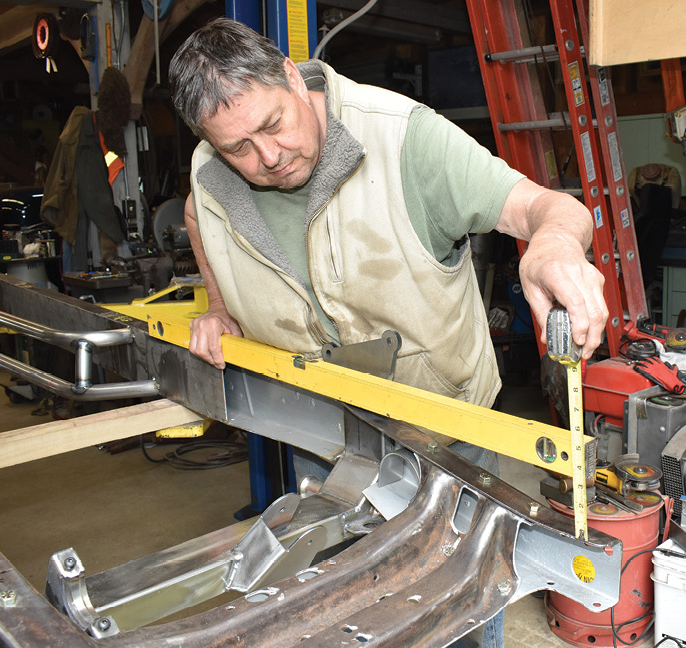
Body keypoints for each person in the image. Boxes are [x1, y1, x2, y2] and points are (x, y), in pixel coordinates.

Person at [169, 17, 607, 647]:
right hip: (318, 429)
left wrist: (555, 242)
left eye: (273, 125)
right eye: (239, 147)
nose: (266, 157)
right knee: (332, 604)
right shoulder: (210, 168)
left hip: (447, 440)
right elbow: (194, 211)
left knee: (452, 611)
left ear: (292, 76)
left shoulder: (405, 140)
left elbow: (544, 206)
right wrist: (218, 304)